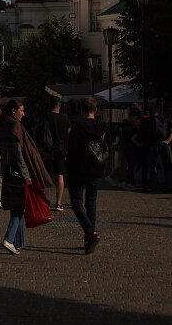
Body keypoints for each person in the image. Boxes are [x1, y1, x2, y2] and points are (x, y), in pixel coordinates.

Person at [0, 99, 53, 255]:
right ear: (13, 111)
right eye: (21, 110)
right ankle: (9, 239)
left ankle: (18, 241)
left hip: (6, 168)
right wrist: (26, 175)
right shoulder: (14, 125)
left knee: (18, 205)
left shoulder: (2, 122)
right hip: (16, 171)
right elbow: (18, 154)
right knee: (19, 208)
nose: (24, 113)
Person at [66, 96, 111, 254]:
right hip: (97, 167)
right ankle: (88, 237)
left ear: (82, 110)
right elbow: (107, 147)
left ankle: (90, 232)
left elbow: (72, 150)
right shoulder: (103, 127)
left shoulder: (77, 127)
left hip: (78, 168)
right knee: (91, 202)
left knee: (76, 201)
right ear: (95, 109)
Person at [37, 95, 71, 211]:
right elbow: (68, 135)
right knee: (60, 176)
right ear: (59, 105)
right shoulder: (65, 118)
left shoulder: (44, 117)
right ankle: (59, 202)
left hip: (46, 150)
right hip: (60, 150)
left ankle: (45, 200)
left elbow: (38, 134)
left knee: (44, 175)